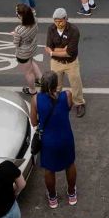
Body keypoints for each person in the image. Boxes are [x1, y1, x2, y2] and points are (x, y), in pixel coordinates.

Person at [32, 71, 78, 207]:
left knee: (49, 169)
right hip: (65, 136)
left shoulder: (36, 99)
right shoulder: (67, 95)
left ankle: (52, 198)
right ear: (56, 84)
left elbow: (34, 122)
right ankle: (71, 194)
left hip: (48, 140)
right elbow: (69, 108)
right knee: (70, 164)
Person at [47, 8, 86, 116]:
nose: (58, 23)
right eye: (56, 21)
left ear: (66, 19)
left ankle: (79, 103)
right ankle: (56, 101)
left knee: (76, 83)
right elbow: (49, 47)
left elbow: (69, 53)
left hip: (71, 62)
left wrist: (53, 52)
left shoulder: (74, 30)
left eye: (60, 21)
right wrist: (62, 50)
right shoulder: (51, 29)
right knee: (55, 85)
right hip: (56, 62)